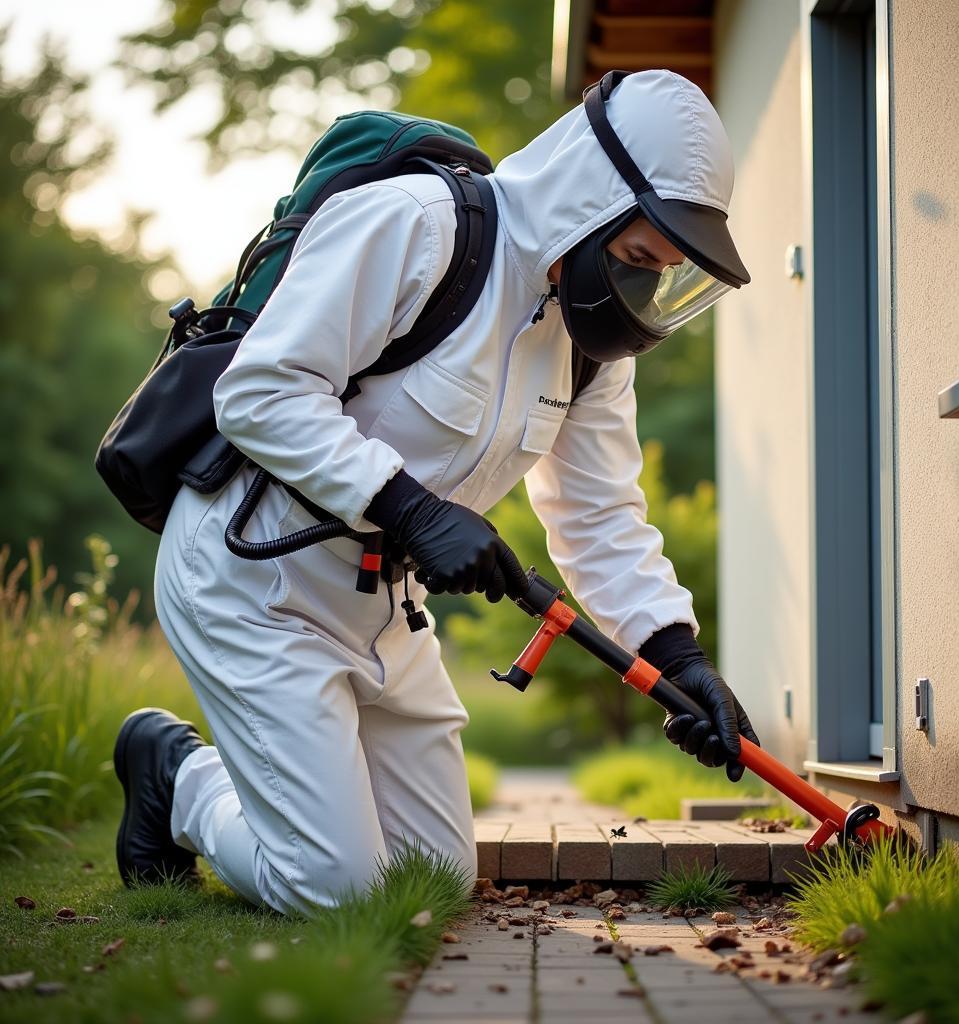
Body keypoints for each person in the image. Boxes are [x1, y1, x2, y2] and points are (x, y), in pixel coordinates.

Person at [114, 69, 760, 915]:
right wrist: (411, 508)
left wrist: (681, 658)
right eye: (638, 259)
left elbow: (600, 516)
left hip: (384, 610)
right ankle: (180, 776)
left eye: (664, 272)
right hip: (251, 582)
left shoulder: (590, 352)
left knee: (431, 885)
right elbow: (259, 393)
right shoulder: (417, 226)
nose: (641, 291)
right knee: (339, 892)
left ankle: (263, 802)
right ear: (587, 200)